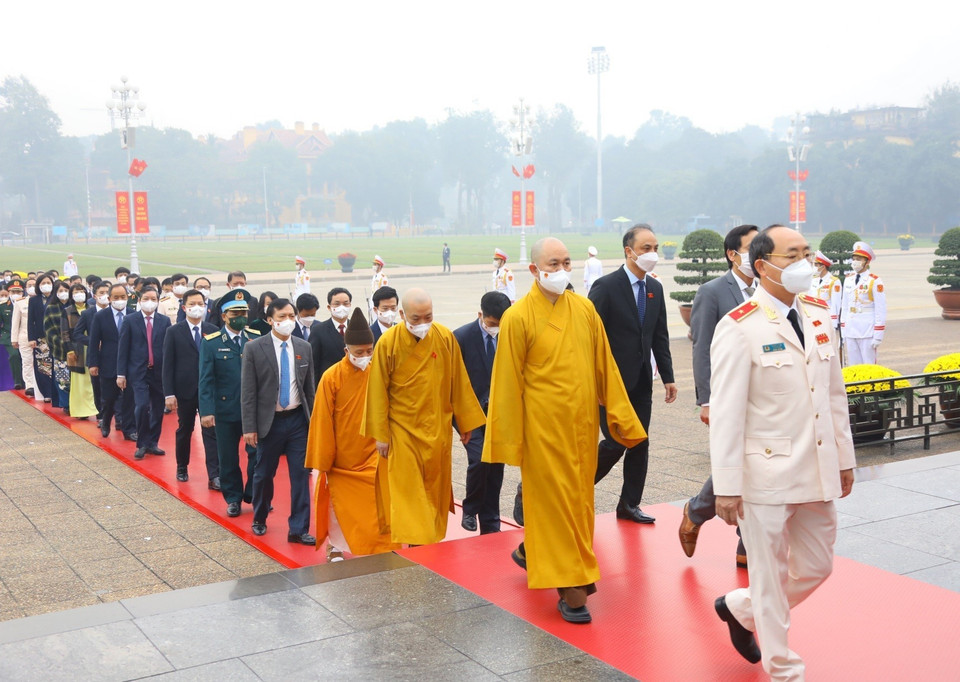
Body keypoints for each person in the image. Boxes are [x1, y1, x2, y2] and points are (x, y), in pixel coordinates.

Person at [710, 224, 855, 679]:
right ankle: (783, 668)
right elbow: (727, 414)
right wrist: (728, 486)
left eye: (806, 253)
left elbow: (834, 395)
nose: (804, 263)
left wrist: (846, 459)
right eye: (792, 256)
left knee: (817, 565)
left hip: (817, 468)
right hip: (765, 474)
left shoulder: (816, 313)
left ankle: (740, 607)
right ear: (762, 266)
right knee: (770, 578)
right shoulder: (739, 328)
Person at [482, 237, 646, 624]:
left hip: (583, 428)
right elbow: (506, 383)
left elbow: (604, 365)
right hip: (542, 431)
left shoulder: (584, 309)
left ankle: (531, 551)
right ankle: (574, 591)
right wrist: (510, 439)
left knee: (578, 505)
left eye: (566, 262)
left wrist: (621, 416)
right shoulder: (518, 317)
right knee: (555, 506)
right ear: (534, 270)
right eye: (552, 264)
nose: (561, 270)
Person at [363, 287, 485, 546]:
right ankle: (418, 542)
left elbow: (458, 380)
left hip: (437, 427)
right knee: (408, 489)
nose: (422, 324)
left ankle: (429, 537)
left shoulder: (443, 336)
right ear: (402, 314)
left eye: (427, 317)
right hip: (402, 429)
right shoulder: (388, 342)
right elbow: (376, 391)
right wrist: (380, 435)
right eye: (415, 319)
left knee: (432, 487)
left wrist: (464, 421)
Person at [679, 224, 759, 568]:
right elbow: (702, 347)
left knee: (755, 460)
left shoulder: (766, 289)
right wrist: (706, 399)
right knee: (737, 460)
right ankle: (696, 512)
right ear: (733, 254)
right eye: (752, 247)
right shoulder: (712, 291)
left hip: (761, 393)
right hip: (727, 393)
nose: (758, 254)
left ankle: (746, 541)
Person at [589, 225, 676, 524]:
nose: (652, 254)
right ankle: (575, 486)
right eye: (645, 248)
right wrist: (595, 381)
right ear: (628, 251)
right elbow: (590, 338)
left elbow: (659, 335)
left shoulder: (655, 288)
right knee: (615, 442)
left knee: (640, 441)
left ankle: (629, 504)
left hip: (641, 380)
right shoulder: (605, 287)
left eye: (654, 247)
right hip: (610, 382)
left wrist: (668, 376)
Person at [307, 308, 400, 559]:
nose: (366, 356)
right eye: (360, 352)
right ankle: (336, 546)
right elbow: (322, 419)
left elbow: (390, 407)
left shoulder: (379, 372)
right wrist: (324, 457)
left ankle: (382, 545)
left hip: (373, 451)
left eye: (370, 351)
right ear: (347, 350)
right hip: (343, 455)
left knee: (376, 503)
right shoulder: (331, 377)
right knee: (340, 505)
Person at [241, 297, 316, 544]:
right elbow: (248, 392)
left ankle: (298, 528)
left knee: (300, 475)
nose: (288, 321)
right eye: (282, 317)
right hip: (268, 422)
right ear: (270, 320)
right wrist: (249, 427)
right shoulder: (254, 348)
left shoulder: (304, 347)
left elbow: (309, 390)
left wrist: (314, 422)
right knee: (263, 474)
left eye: (291, 316)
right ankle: (260, 517)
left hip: (297, 421)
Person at [198, 289, 261, 517]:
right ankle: (233, 498)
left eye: (244, 312)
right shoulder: (212, 343)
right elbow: (205, 379)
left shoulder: (255, 337)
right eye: (235, 312)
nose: (240, 316)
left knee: (257, 456)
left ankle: (253, 494)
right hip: (225, 410)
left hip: (252, 410)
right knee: (228, 457)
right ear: (224, 316)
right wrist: (206, 411)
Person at [453, 292, 511, 534]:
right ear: (481, 316)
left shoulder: (510, 334)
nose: (496, 328)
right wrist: (460, 422)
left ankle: (490, 522)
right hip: (471, 414)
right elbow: (453, 382)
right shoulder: (461, 337)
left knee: (495, 466)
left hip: (499, 414)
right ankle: (470, 507)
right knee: (478, 460)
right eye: (492, 324)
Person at [162, 289, 221, 486]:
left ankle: (214, 475)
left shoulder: (213, 330)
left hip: (208, 391)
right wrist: (169, 393)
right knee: (185, 429)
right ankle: (181, 466)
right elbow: (168, 365)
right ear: (184, 307)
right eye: (192, 304)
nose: (197, 307)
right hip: (185, 391)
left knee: (211, 432)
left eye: (200, 304)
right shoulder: (174, 331)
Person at [117, 286, 170, 459]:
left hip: (159, 372)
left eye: (153, 299)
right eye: (146, 298)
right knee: (141, 406)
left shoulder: (164, 321)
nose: (150, 302)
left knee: (157, 409)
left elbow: (168, 349)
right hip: (138, 372)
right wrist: (121, 374)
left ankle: (152, 443)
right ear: (139, 300)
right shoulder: (130, 320)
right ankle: (142, 442)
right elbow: (123, 348)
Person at [88, 283, 137, 439]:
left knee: (129, 398)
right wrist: (93, 363)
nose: (120, 300)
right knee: (109, 397)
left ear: (127, 298)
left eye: (122, 297)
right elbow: (94, 341)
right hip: (108, 362)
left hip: (130, 363)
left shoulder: (133, 315)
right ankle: (106, 421)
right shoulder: (100, 316)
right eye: (116, 297)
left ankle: (128, 429)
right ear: (109, 298)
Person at [839, 241, 886, 365]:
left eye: (859, 259)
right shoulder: (848, 279)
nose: (855, 262)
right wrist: (843, 329)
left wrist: (878, 334)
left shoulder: (874, 281)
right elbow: (844, 306)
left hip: (867, 329)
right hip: (850, 328)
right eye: (854, 258)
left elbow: (880, 309)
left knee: (869, 365)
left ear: (867, 262)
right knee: (853, 365)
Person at [73, 280, 110, 424]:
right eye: (101, 293)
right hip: (97, 356)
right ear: (94, 296)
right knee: (98, 387)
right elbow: (77, 334)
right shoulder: (88, 314)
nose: (105, 296)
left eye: (107, 293)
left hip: (115, 355)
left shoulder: (120, 313)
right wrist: (94, 341)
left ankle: (119, 418)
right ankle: (101, 416)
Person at [61, 282, 98, 419]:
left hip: (92, 347)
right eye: (76, 292)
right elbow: (65, 333)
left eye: (81, 291)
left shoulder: (92, 309)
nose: (79, 294)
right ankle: (81, 411)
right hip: (77, 350)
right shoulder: (68, 311)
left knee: (92, 380)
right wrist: (69, 350)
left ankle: (94, 408)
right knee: (79, 382)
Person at [311, 288, 351, 382]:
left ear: (350, 305)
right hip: (329, 383)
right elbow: (314, 365)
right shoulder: (318, 330)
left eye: (345, 303)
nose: (342, 307)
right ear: (329, 307)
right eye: (337, 304)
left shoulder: (358, 327)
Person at [44, 280, 72, 411]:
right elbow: (49, 331)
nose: (64, 293)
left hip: (76, 348)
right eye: (61, 291)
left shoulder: (74, 307)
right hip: (59, 349)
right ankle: (66, 404)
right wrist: (62, 343)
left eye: (66, 290)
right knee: (62, 379)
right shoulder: (51, 308)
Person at [28, 273, 56, 403]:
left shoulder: (56, 298)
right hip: (40, 338)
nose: (46, 285)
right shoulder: (34, 300)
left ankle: (56, 392)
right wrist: (31, 338)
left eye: (48, 283)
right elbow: (30, 320)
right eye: (43, 283)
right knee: (42, 366)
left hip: (55, 337)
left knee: (56, 365)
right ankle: (47, 393)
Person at [10, 278, 37, 397]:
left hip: (40, 337)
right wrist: (14, 339)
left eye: (34, 285)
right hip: (24, 336)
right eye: (29, 285)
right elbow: (15, 322)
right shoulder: (20, 302)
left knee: (42, 363)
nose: (32, 287)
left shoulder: (45, 301)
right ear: (25, 288)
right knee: (27, 362)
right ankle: (30, 385)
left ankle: (40, 385)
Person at [810, 251, 841, 330]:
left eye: (816, 265)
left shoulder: (834, 281)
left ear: (823, 267)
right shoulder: (814, 280)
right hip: (815, 317)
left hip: (828, 317)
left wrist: (834, 321)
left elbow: (836, 303)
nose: (814, 267)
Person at [0, 282, 23, 389]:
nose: (16, 294)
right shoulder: (3, 306)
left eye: (18, 292)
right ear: (9, 292)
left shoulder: (27, 304)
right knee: (14, 355)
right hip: (8, 336)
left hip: (23, 335)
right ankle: (17, 381)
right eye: (13, 292)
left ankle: (27, 381)